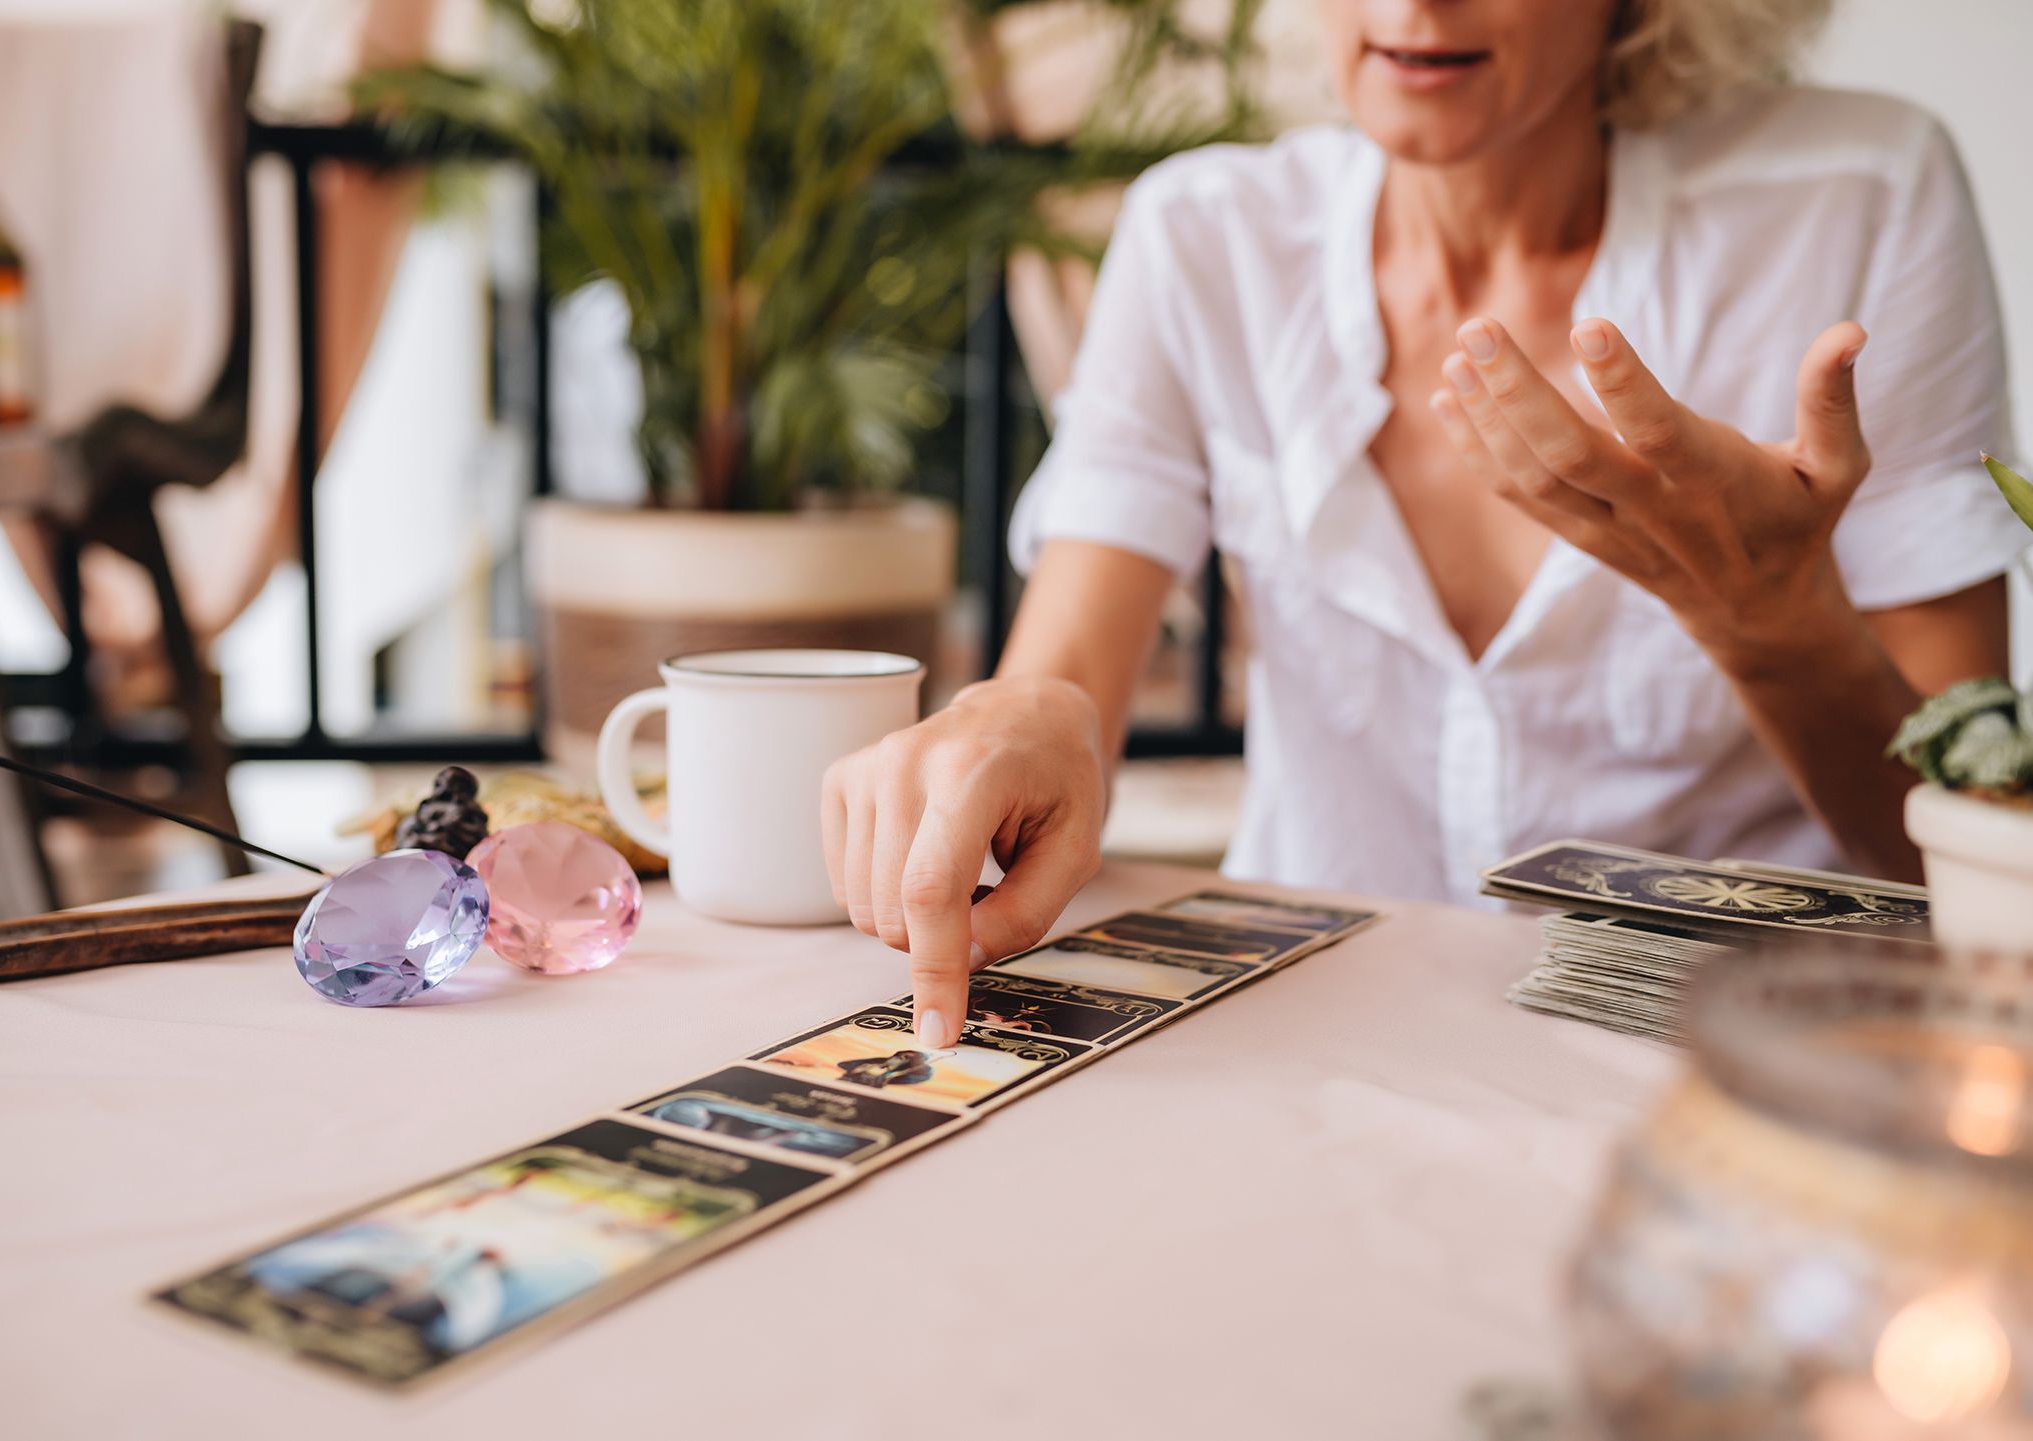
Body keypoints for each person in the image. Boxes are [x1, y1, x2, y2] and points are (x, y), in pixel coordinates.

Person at [821, 0, 2023, 1047]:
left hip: (1734, 1064)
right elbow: (1065, 673)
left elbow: (1959, 866)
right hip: (1320, 1046)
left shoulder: (1858, 199)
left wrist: (1772, 622)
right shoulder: (1205, 234)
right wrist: (1020, 715)